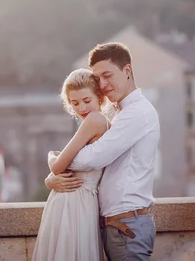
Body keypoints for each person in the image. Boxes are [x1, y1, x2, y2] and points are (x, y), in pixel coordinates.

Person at [45, 42, 160, 260]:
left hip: (127, 225)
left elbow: (94, 158)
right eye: (98, 79)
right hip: (117, 224)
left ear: (127, 71)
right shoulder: (119, 114)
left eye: (108, 75)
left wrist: (54, 161)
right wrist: (52, 178)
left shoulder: (137, 113)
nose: (103, 84)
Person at [32, 68, 111, 261]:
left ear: (99, 97)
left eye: (86, 101)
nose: (81, 108)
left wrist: (51, 156)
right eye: (75, 103)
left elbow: (58, 166)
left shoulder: (95, 120)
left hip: (75, 202)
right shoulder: (99, 122)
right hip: (78, 202)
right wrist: (51, 178)